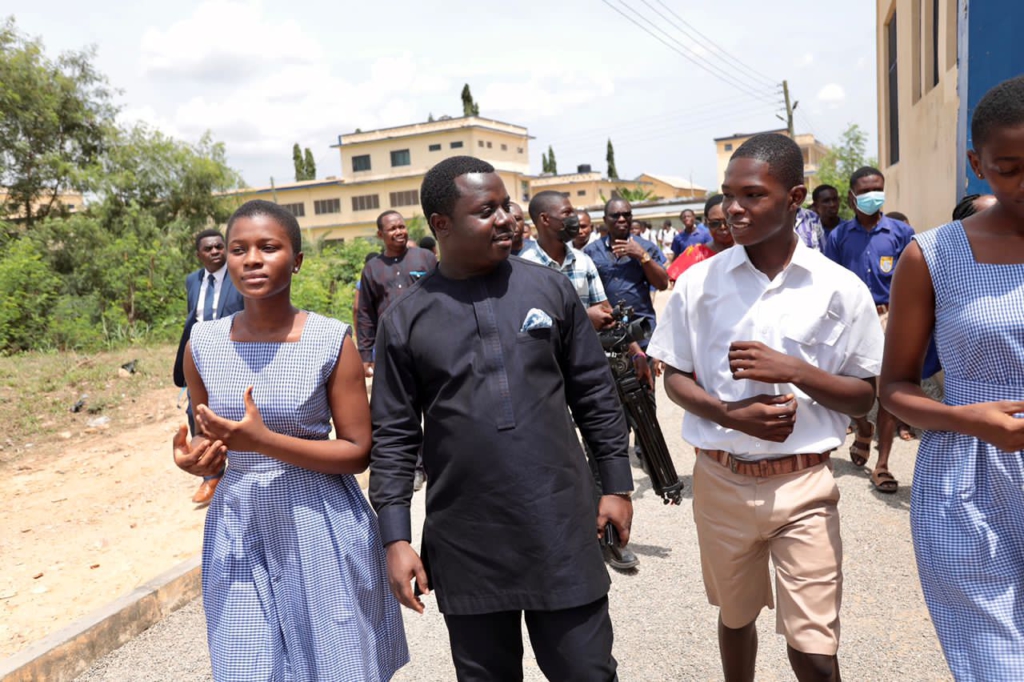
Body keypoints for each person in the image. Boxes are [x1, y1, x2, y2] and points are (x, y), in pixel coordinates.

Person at [370, 156, 632, 681]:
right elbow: (395, 438)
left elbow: (594, 395)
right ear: (441, 225)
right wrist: (395, 538)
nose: (506, 219)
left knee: (588, 672)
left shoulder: (549, 290)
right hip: (468, 541)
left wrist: (617, 486)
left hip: (560, 525)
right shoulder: (405, 319)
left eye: (506, 206)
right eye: (486, 210)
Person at [649, 133, 883, 682]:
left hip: (803, 487)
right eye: (729, 194)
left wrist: (795, 371)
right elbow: (675, 379)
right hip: (721, 481)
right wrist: (730, 415)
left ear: (794, 196)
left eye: (752, 195)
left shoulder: (838, 289)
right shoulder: (699, 284)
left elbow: (865, 396)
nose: (734, 208)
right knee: (736, 618)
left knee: (813, 645)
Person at [173, 199, 408, 681]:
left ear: (296, 260)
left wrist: (265, 442)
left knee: (334, 660)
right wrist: (199, 461)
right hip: (239, 523)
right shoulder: (202, 344)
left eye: (269, 247)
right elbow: (213, 445)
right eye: (239, 249)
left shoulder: (329, 340)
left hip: (320, 518)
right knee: (249, 664)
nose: (252, 259)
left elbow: (357, 452)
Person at [880, 75, 1024, 681]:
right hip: (968, 488)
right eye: (1011, 166)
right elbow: (893, 389)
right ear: (977, 163)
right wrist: (966, 418)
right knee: (998, 668)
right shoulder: (932, 255)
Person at [520, 190, 643, 571]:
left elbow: (604, 311)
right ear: (545, 220)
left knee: (602, 450)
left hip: (587, 371)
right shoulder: (522, 267)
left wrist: (630, 346)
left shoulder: (584, 261)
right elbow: (520, 328)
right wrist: (578, 319)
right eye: (567, 213)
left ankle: (609, 538)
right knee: (556, 459)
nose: (575, 220)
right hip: (541, 382)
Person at [824, 166, 914, 493]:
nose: (873, 195)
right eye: (865, 191)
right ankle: (863, 427)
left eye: (878, 188)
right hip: (850, 321)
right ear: (852, 196)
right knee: (848, 386)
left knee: (888, 388)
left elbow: (915, 277)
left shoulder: (901, 233)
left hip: (890, 316)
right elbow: (827, 281)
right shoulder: (837, 237)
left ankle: (883, 464)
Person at [172, 229, 245, 506]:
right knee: (197, 411)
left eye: (219, 247)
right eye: (208, 248)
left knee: (233, 408)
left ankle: (242, 469)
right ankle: (211, 477)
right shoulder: (193, 280)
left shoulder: (238, 274)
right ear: (199, 254)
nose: (215, 251)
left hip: (235, 351)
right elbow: (193, 317)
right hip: (201, 354)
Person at [357, 210, 437, 378]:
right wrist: (365, 355)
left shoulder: (426, 258)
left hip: (427, 342)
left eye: (402, 226)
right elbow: (365, 313)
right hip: (390, 346)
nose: (399, 232)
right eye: (393, 228)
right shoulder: (372, 268)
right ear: (380, 234)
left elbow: (442, 299)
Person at [585, 197, 669, 351]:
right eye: (615, 215)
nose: (622, 219)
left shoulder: (646, 247)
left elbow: (663, 284)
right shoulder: (591, 251)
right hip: (608, 332)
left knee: (645, 374)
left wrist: (642, 256)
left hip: (642, 330)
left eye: (626, 214)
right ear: (605, 219)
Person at [667, 194, 733, 283]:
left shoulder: (751, 251)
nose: (722, 227)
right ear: (706, 222)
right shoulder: (694, 255)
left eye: (728, 221)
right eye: (715, 223)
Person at [352, 251, 381, 342]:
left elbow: (356, 308)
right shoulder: (387, 281)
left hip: (368, 328)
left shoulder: (362, 283)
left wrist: (357, 330)